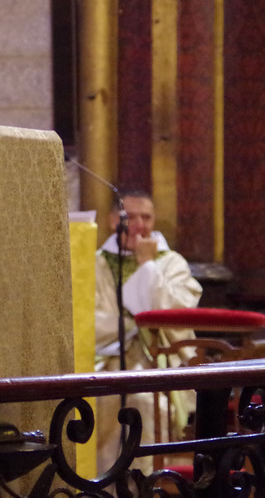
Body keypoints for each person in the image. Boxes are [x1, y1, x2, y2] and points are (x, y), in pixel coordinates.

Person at [93, 190, 201, 475]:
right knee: (102, 399)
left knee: (144, 401)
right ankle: (103, 487)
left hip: (159, 360)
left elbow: (181, 309)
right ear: (111, 220)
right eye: (131, 217)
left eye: (147, 217)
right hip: (107, 361)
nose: (139, 225)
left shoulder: (171, 262)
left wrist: (147, 266)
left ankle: (148, 486)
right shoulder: (95, 264)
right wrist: (129, 324)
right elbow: (84, 317)